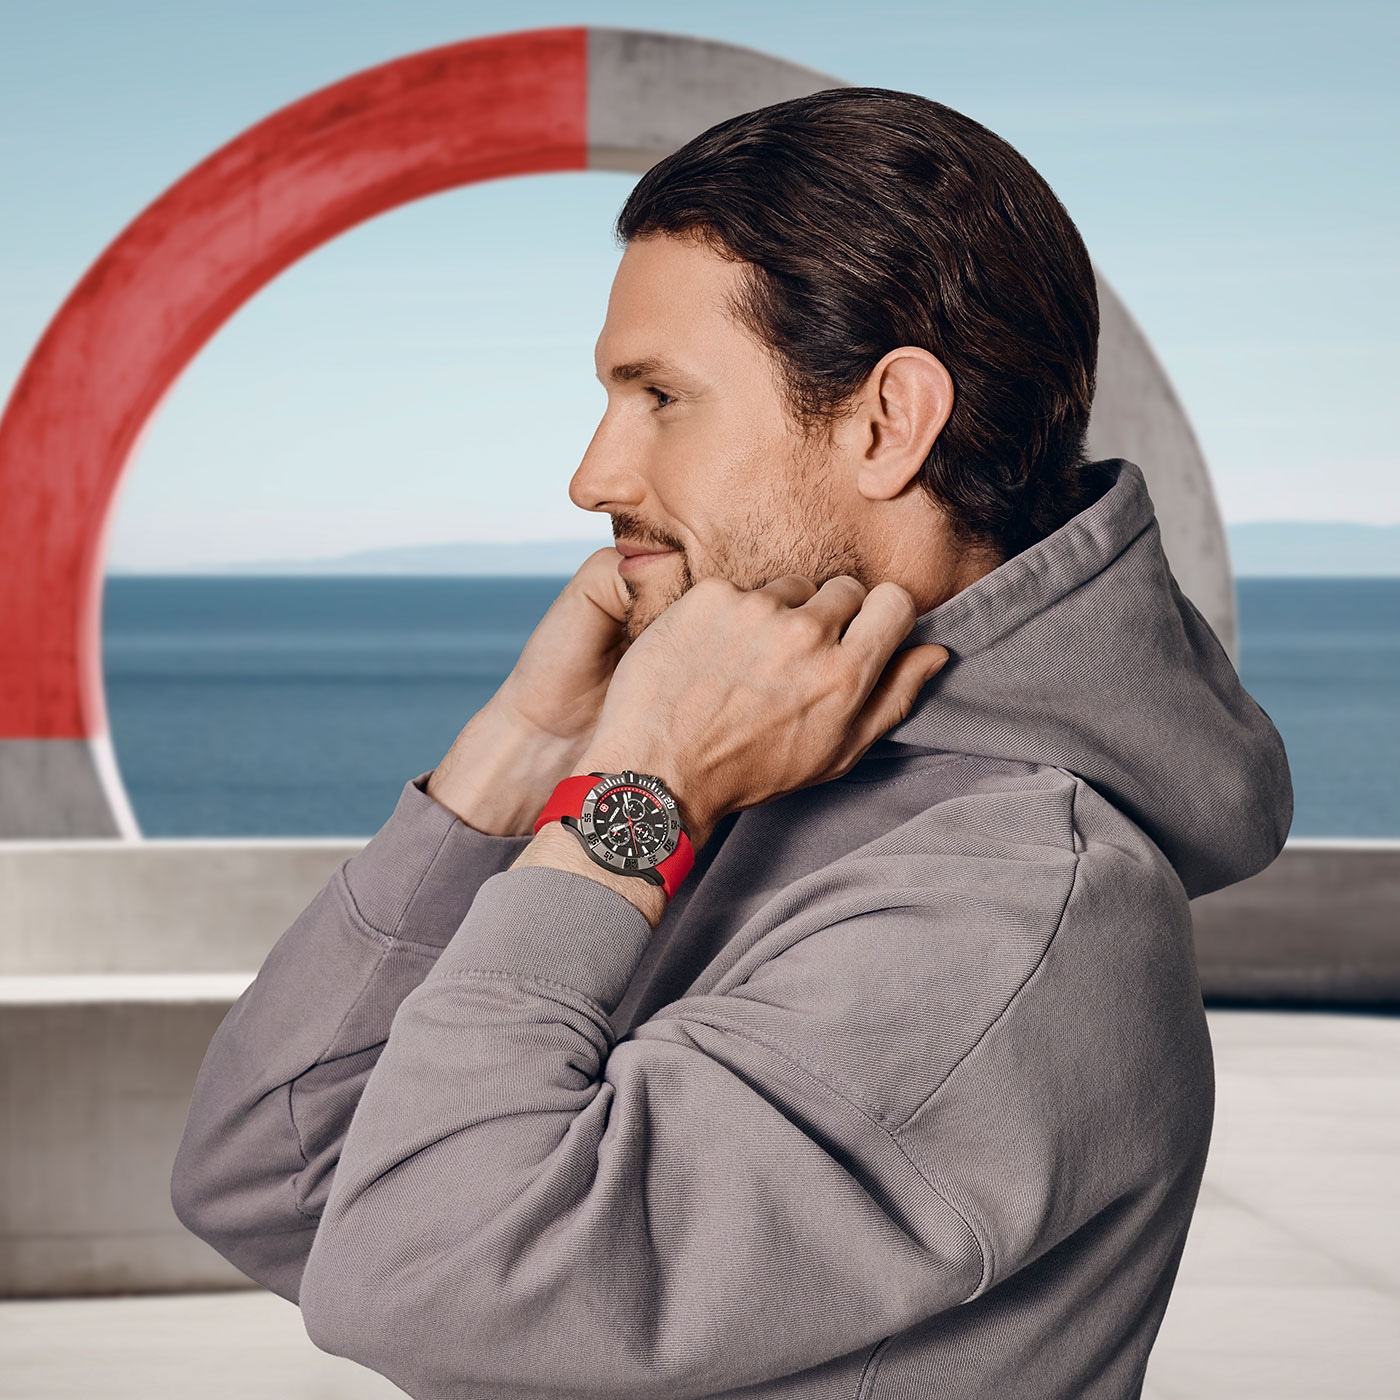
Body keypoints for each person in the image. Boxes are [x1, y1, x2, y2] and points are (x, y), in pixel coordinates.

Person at [171, 87, 1292, 1400]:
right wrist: (528, 749)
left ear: (887, 424)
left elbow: (419, 1281)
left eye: (659, 396)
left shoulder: (1008, 906)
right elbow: (267, 1177)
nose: (594, 475)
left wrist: (630, 795)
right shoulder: (780, 782)